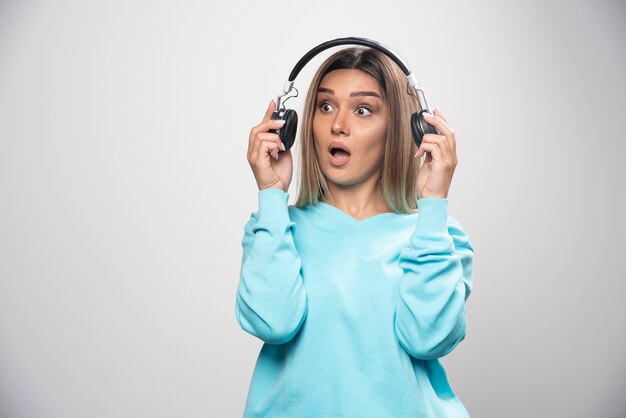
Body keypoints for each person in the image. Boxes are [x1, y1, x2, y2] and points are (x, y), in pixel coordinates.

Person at [236, 46, 474, 418]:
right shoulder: (274, 229)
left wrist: (432, 205)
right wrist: (271, 195)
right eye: (326, 107)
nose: (338, 125)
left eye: (363, 110)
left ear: (401, 128)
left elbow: (429, 339)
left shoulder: (439, 235)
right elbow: (273, 322)